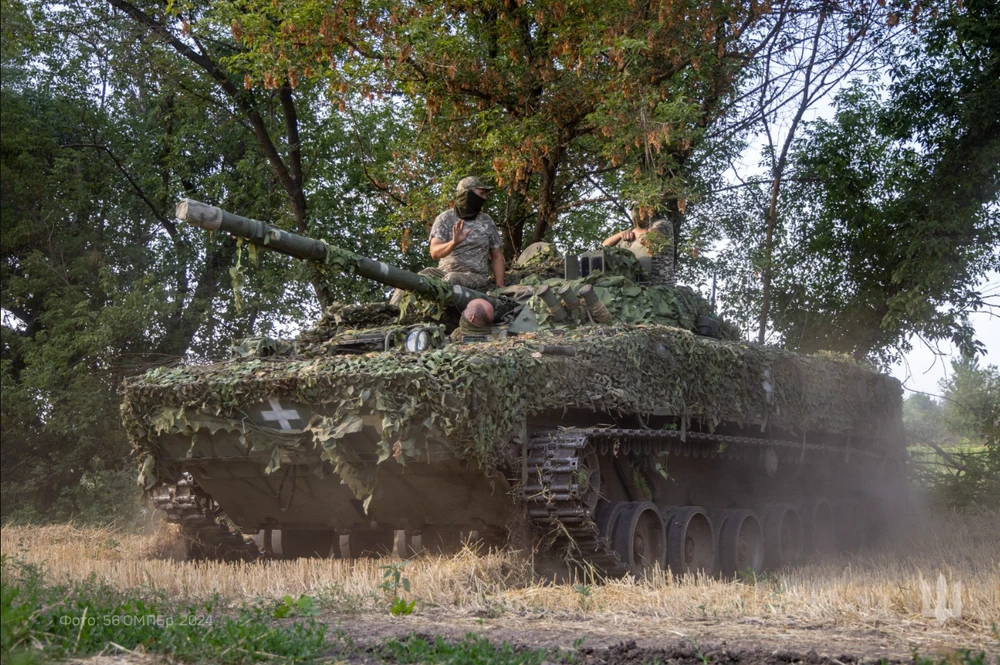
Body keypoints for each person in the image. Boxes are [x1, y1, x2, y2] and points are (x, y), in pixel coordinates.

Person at [429, 176, 505, 290]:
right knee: (420, 277)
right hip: (443, 272)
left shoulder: (486, 221)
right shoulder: (445, 218)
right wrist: (453, 243)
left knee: (451, 279)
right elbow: (435, 253)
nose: (484, 198)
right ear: (467, 194)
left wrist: (500, 286)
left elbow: (497, 255)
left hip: (475, 276)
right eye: (481, 193)